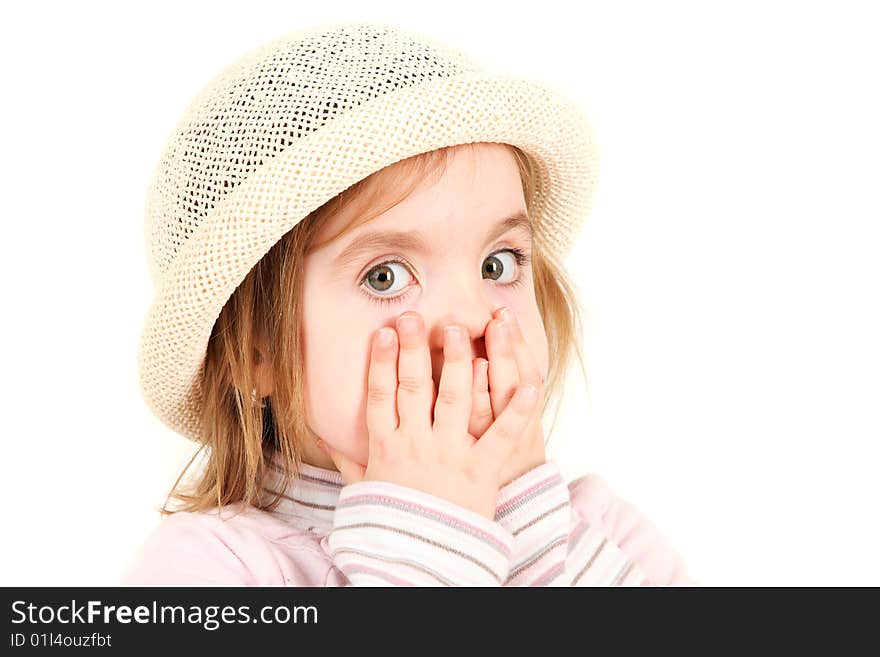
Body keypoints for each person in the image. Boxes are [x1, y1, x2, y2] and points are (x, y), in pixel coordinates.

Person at [122, 20, 695, 586]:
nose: (472, 318)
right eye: (386, 276)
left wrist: (527, 531)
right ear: (255, 352)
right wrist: (431, 548)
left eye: (498, 264)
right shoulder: (208, 568)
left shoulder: (611, 541)